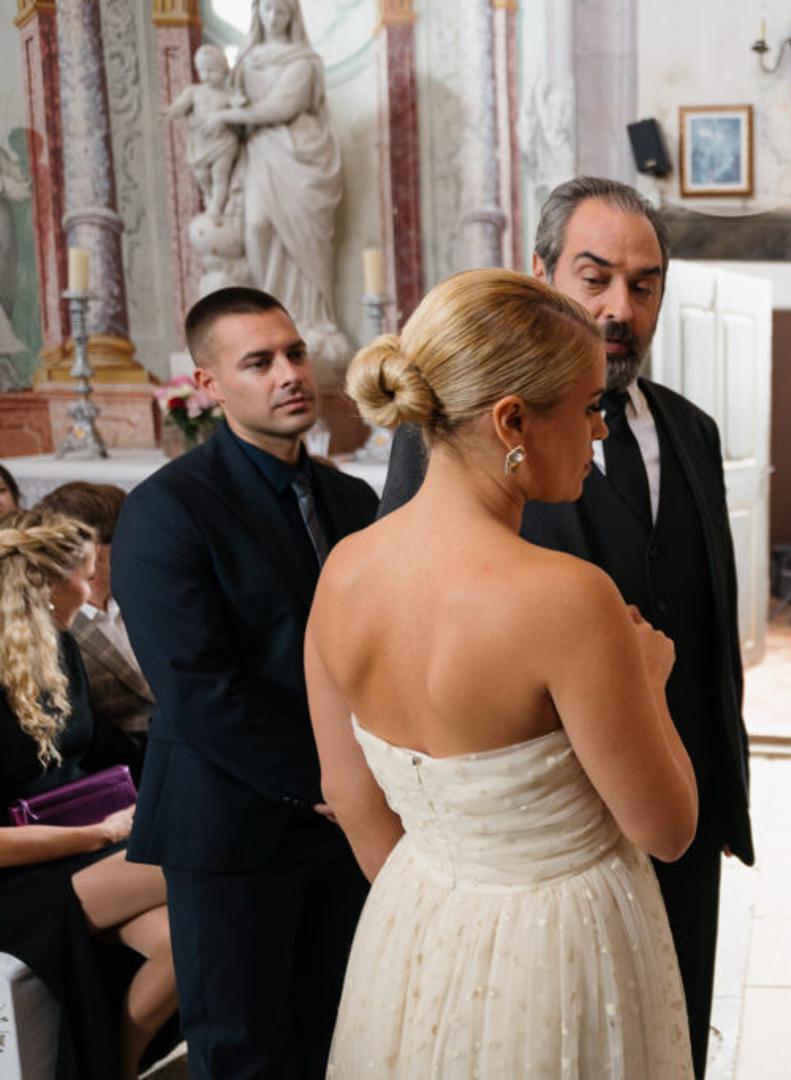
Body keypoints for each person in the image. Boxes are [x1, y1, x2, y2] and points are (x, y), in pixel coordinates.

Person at [380, 176, 752, 1075]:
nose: (619, 308)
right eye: (595, 278)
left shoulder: (694, 430)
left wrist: (723, 787)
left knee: (673, 1036)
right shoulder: (453, 437)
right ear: (540, 273)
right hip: (547, 828)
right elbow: (414, 614)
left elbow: (708, 620)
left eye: (644, 284)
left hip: (681, 800)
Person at [316, 267, 696, 1076]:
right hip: (559, 952)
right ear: (512, 419)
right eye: (588, 407)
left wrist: (448, 910)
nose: (601, 431)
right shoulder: (567, 598)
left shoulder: (343, 571)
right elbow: (668, 831)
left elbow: (350, 796)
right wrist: (651, 682)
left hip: (410, 929)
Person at [111, 287, 378, 1078]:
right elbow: (197, 688)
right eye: (258, 362)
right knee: (243, 1055)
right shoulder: (168, 509)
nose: (289, 374)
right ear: (209, 385)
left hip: (344, 823)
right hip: (230, 826)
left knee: (342, 1042)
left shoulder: (351, 499)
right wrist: (329, 780)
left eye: (294, 353)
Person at [0, 510, 176, 1080]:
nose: (96, 586)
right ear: (48, 585)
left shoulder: (63, 649)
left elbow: (97, 750)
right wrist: (98, 833)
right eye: (87, 574)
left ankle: (118, 1066)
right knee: (201, 854)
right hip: (19, 878)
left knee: (189, 944)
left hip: (84, 848)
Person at [207, 0, 349, 367]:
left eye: (282, 10)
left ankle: (309, 318)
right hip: (260, 154)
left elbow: (283, 107)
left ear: (292, 15)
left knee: (303, 242)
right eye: (268, 8)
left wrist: (228, 115)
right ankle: (269, 315)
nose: (275, 16)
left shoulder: (303, 61)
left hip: (299, 156)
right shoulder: (246, 60)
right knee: (257, 226)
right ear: (257, 12)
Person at [36, 482, 155, 778]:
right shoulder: (51, 627)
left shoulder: (147, 595)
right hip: (122, 772)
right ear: (97, 551)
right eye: (131, 537)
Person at [162, 44, 239, 222]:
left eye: (212, 70)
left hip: (223, 142)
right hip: (201, 143)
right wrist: (171, 112)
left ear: (224, 69)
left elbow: (240, 112)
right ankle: (211, 198)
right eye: (202, 70)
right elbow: (180, 106)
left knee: (220, 174)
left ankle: (216, 207)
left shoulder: (228, 95)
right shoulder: (194, 92)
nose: (206, 75)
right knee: (202, 176)